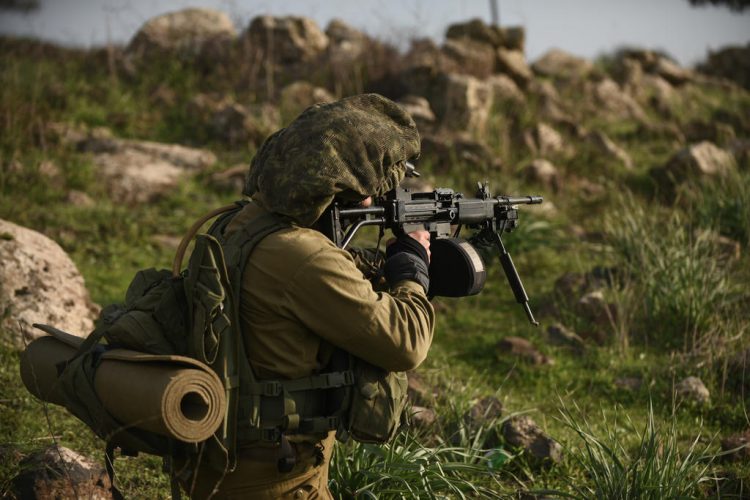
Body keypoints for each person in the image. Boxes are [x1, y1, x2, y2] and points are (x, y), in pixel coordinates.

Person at [193, 93, 435, 499]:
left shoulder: (242, 223)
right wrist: (413, 267)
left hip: (224, 460)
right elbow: (407, 343)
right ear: (336, 189)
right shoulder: (303, 256)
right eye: (366, 190)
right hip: (276, 479)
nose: (373, 201)